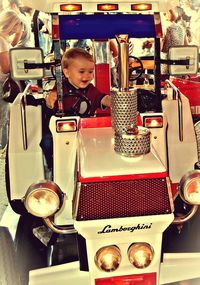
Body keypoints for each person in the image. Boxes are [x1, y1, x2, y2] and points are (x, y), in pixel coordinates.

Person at [40, 47, 111, 170]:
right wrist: (49, 99)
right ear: (67, 73)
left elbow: (102, 98)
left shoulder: (91, 90)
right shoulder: (60, 88)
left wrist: (116, 101)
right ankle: (54, 167)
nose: (87, 76)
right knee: (46, 142)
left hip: (85, 131)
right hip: (61, 132)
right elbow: (49, 104)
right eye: (82, 71)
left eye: (90, 71)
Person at [0, 10, 22, 152]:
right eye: (16, 26)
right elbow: (6, 67)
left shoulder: (3, 39)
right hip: (1, 82)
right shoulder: (1, 41)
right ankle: (2, 147)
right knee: (2, 115)